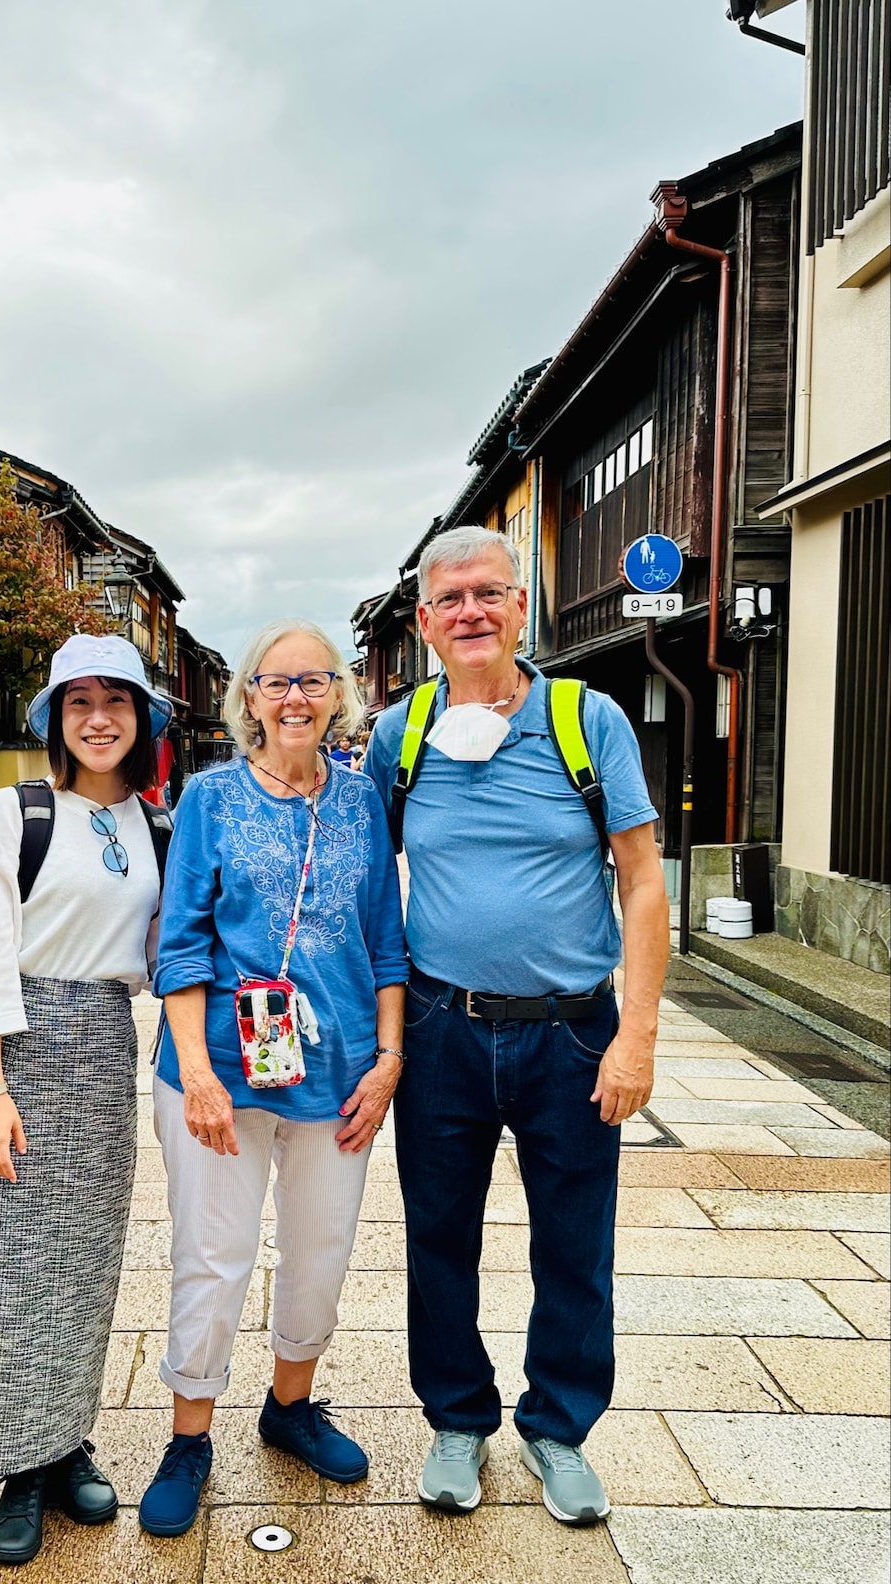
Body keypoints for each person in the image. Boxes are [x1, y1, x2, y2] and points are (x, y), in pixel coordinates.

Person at [364, 525, 667, 1527]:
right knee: (438, 1236)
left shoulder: (588, 721)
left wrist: (638, 1037)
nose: (471, 614)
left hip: (573, 1033)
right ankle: (457, 1420)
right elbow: (361, 884)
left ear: (520, 606)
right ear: (424, 623)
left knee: (574, 1244)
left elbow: (643, 885)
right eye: (449, 600)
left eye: (488, 594)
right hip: (445, 1029)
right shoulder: (399, 734)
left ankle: (559, 1430)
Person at [138, 618, 409, 1538]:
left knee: (323, 1246)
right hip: (214, 1068)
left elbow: (386, 942)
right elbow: (177, 946)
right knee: (212, 1254)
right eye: (274, 681)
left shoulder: (364, 800)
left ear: (340, 696)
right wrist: (204, 1076)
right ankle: (189, 1435)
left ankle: (291, 1406)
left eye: (313, 680)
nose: (294, 697)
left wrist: (389, 1061)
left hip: (335, 1071)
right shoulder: (210, 799)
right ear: (247, 697)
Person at [0, 634, 173, 1566]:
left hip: (105, 1047)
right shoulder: (15, 810)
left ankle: (66, 1442)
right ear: (54, 719)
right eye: (79, 703)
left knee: (81, 1264)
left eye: (117, 700)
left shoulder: (157, 827)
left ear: (143, 718)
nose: (98, 718)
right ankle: (15, 1465)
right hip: (18, 1045)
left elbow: (158, 964)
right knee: (3, 1267)